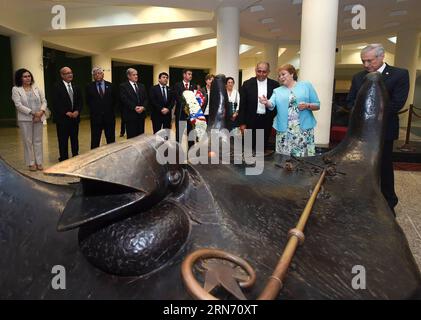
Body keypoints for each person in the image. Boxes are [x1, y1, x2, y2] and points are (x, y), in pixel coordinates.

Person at [346, 44, 409, 214]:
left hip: (384, 131)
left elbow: (397, 103)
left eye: (369, 60)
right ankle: (363, 199)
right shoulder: (358, 77)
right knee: (361, 165)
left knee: (384, 166)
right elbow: (350, 101)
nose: (366, 65)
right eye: (363, 61)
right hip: (360, 132)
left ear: (381, 57)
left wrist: (371, 115)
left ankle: (389, 203)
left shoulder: (399, 74)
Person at [260, 64, 319, 157]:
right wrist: (266, 102)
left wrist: (307, 105)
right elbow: (271, 104)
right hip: (284, 130)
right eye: (279, 76)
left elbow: (317, 105)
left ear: (292, 74)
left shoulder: (306, 86)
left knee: (303, 158)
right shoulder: (277, 91)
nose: (281, 77)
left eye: (283, 74)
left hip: (303, 130)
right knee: (284, 158)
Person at [11, 68, 47, 171]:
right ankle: (31, 163)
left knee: (38, 140)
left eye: (29, 76)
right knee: (28, 141)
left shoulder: (36, 88)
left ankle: (39, 162)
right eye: (25, 76)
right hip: (25, 119)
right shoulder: (16, 89)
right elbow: (18, 105)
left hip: (39, 117)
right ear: (20, 78)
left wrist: (41, 111)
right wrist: (33, 113)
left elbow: (44, 101)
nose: (28, 78)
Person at [238, 62, 279, 150]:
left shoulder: (275, 85)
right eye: (259, 71)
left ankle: (259, 163)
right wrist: (242, 123)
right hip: (250, 121)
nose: (261, 74)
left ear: (268, 72)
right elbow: (242, 105)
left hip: (266, 121)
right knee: (248, 147)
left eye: (264, 72)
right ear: (255, 70)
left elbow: (276, 105)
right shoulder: (247, 84)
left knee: (261, 148)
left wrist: (271, 117)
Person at [52, 66, 82, 162]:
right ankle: (64, 158)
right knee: (63, 140)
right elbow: (55, 102)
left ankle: (75, 155)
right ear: (62, 75)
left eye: (71, 72)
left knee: (74, 138)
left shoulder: (76, 86)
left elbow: (80, 101)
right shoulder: (56, 87)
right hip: (62, 119)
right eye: (67, 73)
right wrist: (66, 112)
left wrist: (77, 111)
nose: (70, 75)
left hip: (74, 118)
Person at [86, 67, 116, 149]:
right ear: (93, 76)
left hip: (109, 117)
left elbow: (114, 100)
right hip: (96, 118)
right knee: (95, 140)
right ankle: (94, 156)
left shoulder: (110, 85)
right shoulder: (89, 86)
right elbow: (88, 101)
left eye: (99, 73)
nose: (97, 75)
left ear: (103, 74)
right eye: (95, 74)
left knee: (111, 139)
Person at [119, 68, 148, 139]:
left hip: (141, 115)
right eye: (134, 75)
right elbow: (124, 99)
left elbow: (146, 98)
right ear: (128, 76)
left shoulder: (142, 86)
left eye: (137, 74)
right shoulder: (123, 86)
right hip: (130, 116)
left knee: (141, 137)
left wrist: (143, 107)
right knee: (132, 138)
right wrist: (135, 107)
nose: (136, 76)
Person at [173, 69, 195, 146]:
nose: (190, 76)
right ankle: (177, 149)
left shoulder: (193, 86)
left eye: (191, 74)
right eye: (189, 74)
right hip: (180, 112)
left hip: (191, 114)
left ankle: (191, 149)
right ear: (184, 75)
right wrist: (186, 103)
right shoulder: (177, 85)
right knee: (179, 132)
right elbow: (177, 97)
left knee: (191, 132)